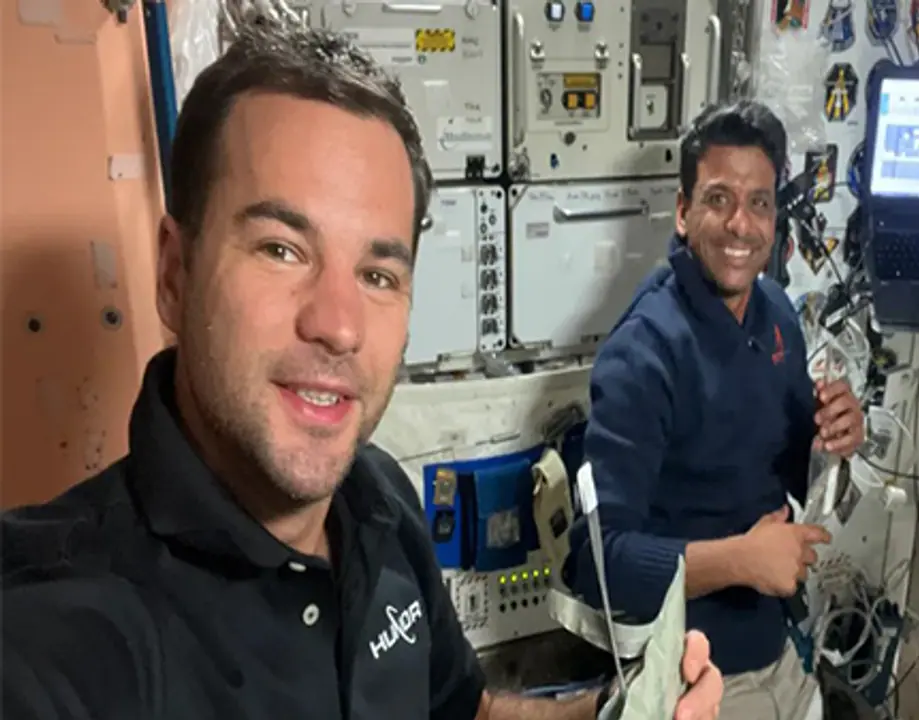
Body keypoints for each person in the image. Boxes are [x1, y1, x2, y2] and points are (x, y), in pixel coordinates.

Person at [0, 22, 723, 720]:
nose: (339, 325)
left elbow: (461, 710)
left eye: (378, 274)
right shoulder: (51, 636)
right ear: (174, 274)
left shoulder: (377, 498)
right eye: (282, 249)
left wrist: (619, 712)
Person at [564, 101, 866, 719]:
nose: (741, 225)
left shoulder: (776, 313)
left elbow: (780, 465)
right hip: (694, 674)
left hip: (781, 648)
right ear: (683, 213)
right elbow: (597, 563)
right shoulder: (644, 355)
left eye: (759, 203)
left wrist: (835, 432)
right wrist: (742, 561)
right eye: (719, 199)